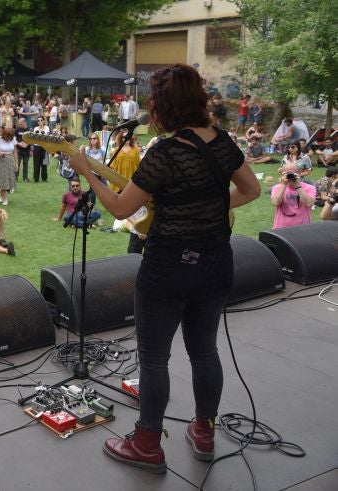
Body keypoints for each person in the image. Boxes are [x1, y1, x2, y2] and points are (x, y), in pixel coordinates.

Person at [68, 63, 260, 473]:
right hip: (215, 264)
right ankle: (204, 430)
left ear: (164, 105)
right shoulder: (224, 142)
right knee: (204, 350)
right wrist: (209, 205)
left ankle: (147, 444)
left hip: (168, 266)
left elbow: (121, 207)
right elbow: (252, 189)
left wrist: (86, 172)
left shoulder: (166, 153)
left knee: (154, 359)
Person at [0, 127, 17, 206]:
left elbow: (15, 151)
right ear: (4, 134)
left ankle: (2, 196)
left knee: (8, 179)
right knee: (3, 179)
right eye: (7, 136)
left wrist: (17, 163)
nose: (9, 138)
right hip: (0, 161)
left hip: (9, 161)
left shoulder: (13, 139)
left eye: (10, 137)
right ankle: (5, 198)